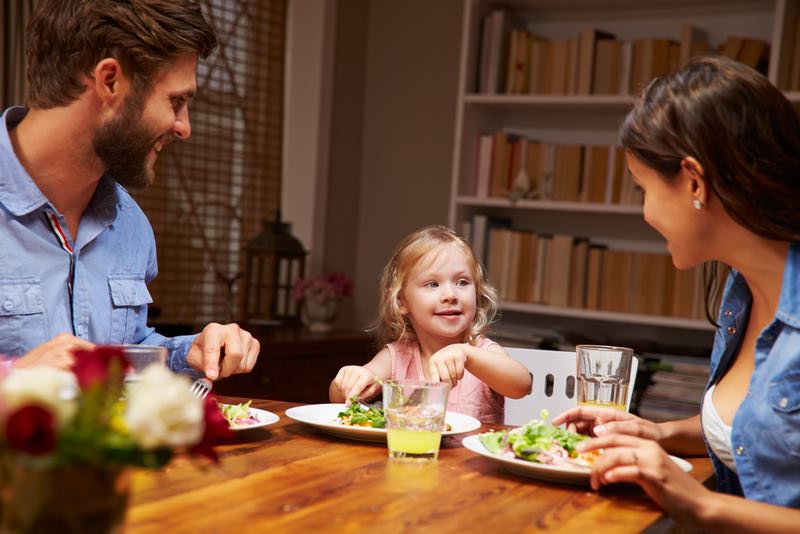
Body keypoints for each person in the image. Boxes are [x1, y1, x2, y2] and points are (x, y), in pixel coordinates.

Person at [551, 55, 800, 532]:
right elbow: (758, 432)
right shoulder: (740, 292)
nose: (645, 213)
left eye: (642, 187)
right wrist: (659, 434)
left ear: (693, 181)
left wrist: (703, 504)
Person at [0, 0, 259, 380]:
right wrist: (13, 378)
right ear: (110, 81)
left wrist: (191, 351)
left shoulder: (130, 224)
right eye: (176, 101)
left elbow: (125, 351)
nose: (184, 127)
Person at [329, 225, 531, 423]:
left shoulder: (480, 351)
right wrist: (352, 379)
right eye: (432, 284)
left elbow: (522, 384)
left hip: (471, 457)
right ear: (401, 301)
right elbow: (337, 399)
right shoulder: (397, 357)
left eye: (462, 282)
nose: (451, 295)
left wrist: (468, 355)